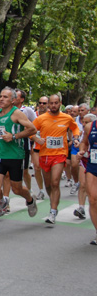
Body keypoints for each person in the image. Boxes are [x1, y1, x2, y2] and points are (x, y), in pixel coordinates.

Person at [0, 87, 38, 232]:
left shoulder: (17, 114)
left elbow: (32, 129)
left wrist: (14, 136)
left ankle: (30, 199)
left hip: (14, 156)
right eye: (0, 96)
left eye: (5, 97)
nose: (1, 99)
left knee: (16, 188)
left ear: (12, 100)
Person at [33, 94, 80, 225]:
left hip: (59, 155)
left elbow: (75, 127)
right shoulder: (41, 118)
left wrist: (75, 138)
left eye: (56, 103)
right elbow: (30, 129)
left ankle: (53, 211)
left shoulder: (66, 118)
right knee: (48, 185)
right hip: (44, 155)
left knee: (55, 182)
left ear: (60, 104)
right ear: (48, 105)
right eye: (51, 103)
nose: (53, 106)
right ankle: (53, 201)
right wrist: (36, 138)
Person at [77, 113, 97, 243]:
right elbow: (84, 143)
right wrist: (82, 151)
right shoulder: (90, 126)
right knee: (93, 199)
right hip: (93, 164)